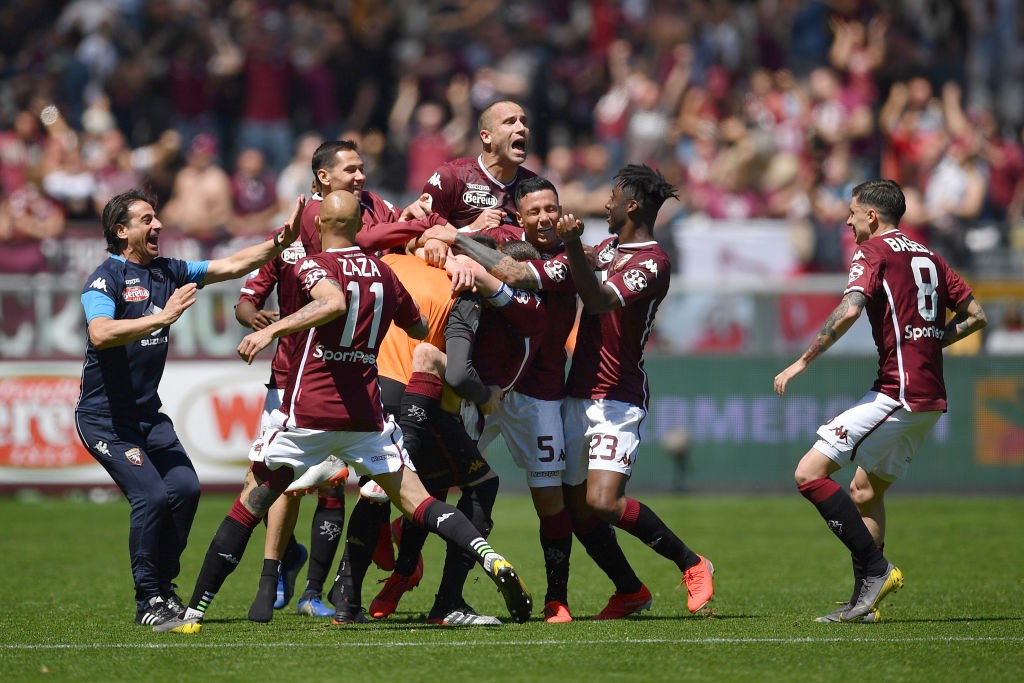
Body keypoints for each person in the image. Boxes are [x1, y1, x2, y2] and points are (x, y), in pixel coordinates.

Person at [154, 190, 532, 635]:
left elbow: (332, 302)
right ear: (358, 226)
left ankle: (193, 614)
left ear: (319, 226)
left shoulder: (313, 264)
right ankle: (489, 556)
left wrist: (272, 330)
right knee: (421, 502)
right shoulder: (385, 271)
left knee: (249, 505)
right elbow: (416, 326)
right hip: (366, 417)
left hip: (309, 414)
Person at [430, 169, 715, 619]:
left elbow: (598, 299)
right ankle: (629, 590)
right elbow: (528, 268)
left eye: (613, 197)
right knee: (578, 512)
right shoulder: (605, 249)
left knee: (603, 502)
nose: (606, 204)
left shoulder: (652, 262)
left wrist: (459, 238)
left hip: (617, 396)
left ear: (632, 206)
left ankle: (692, 563)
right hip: (575, 392)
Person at [74, 187, 302, 628]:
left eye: (156, 217)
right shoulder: (105, 279)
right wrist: (161, 318)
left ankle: (163, 589)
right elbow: (100, 332)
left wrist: (280, 240)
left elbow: (232, 265)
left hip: (148, 416)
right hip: (105, 420)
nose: (158, 225)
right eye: (146, 220)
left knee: (185, 489)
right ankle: (148, 601)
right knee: (151, 497)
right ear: (121, 231)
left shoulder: (169, 271)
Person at [773, 179, 987, 623]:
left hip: (899, 392)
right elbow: (976, 316)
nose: (847, 221)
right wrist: (929, 343)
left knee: (808, 473)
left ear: (871, 216)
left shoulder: (873, 251)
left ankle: (877, 569)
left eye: (852, 212)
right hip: (929, 396)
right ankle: (864, 604)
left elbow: (850, 309)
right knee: (865, 492)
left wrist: (802, 361)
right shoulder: (928, 254)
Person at [235, 225, 349, 622]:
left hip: (337, 377)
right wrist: (253, 317)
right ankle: (287, 557)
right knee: (271, 481)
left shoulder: (356, 237)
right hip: (286, 378)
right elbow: (245, 302)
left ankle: (313, 592)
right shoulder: (285, 241)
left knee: (333, 481)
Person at [418, 99, 536, 233]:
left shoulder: (535, 187)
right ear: (486, 137)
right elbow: (418, 237)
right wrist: (472, 228)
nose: (521, 128)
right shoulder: (451, 177)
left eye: (524, 122)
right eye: (510, 122)